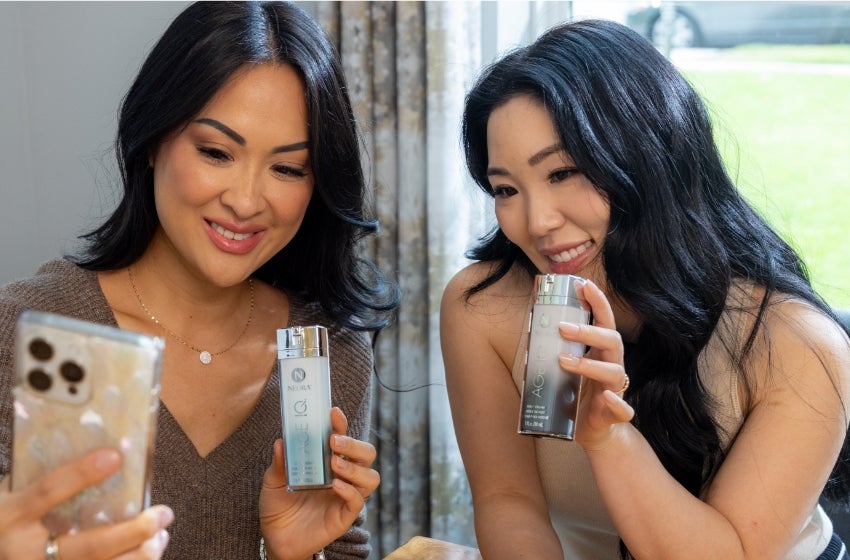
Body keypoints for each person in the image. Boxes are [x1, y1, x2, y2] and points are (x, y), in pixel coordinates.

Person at [0, 2, 398, 559]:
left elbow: (341, 547)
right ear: (151, 142)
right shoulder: (23, 330)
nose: (244, 201)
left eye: (287, 168)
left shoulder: (330, 350)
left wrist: (291, 554)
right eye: (215, 152)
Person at [441, 18, 850, 560]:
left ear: (648, 156)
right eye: (506, 189)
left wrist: (608, 440)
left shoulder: (796, 344)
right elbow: (507, 500)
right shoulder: (485, 309)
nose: (536, 221)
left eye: (562, 173)